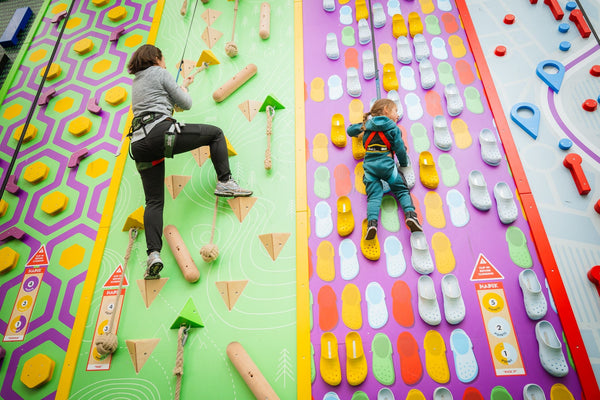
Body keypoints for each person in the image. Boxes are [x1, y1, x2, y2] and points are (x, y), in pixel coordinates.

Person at [127, 44, 252, 280]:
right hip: (159, 133)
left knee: (153, 201)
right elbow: (185, 104)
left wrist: (182, 85)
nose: (165, 63)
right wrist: (182, 90)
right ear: (156, 57)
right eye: (164, 58)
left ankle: (153, 254)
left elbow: (163, 107)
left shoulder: (137, 82)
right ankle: (225, 181)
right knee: (215, 133)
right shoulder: (160, 72)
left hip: (139, 144)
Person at [347, 98, 422, 240]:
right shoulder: (394, 128)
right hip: (387, 166)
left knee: (374, 196)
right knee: (401, 190)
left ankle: (372, 224)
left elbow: (350, 130)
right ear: (386, 110)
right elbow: (400, 150)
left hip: (369, 168)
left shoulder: (367, 125)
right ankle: (411, 216)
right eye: (395, 111)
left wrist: (362, 124)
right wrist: (404, 163)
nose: (398, 115)